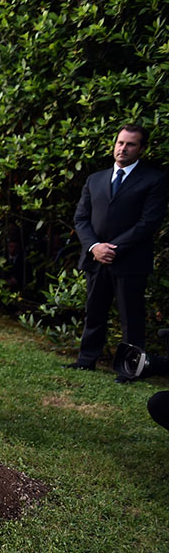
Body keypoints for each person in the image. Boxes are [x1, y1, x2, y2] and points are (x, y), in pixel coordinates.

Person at [67, 124, 168, 381]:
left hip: (130, 261)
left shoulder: (155, 180)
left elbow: (149, 223)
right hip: (96, 258)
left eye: (130, 144)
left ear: (141, 149)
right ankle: (86, 360)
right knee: (94, 312)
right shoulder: (95, 179)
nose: (123, 148)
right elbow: (81, 219)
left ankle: (129, 370)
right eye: (120, 143)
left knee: (131, 318)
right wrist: (94, 247)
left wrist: (113, 249)